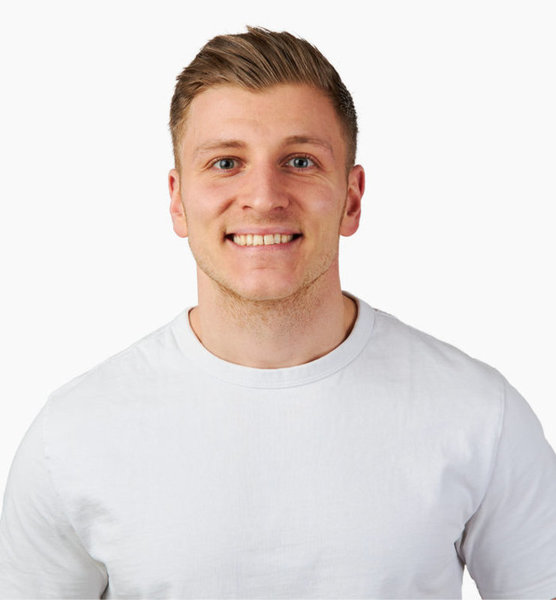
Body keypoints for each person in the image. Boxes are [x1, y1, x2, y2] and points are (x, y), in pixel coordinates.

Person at [1, 26, 555, 600]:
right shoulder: (73, 434)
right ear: (177, 200)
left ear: (352, 198)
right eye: (225, 162)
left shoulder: (479, 415)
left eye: (299, 160)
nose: (264, 197)